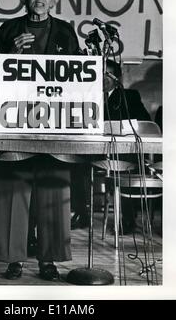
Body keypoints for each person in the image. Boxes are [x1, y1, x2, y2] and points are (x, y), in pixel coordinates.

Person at [0, 0, 80, 281]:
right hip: (16, 120)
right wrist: (10, 54)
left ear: (55, 0)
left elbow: (78, 76)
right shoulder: (9, 28)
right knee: (13, 187)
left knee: (53, 187)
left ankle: (49, 261)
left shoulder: (65, 31)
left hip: (55, 122)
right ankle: (14, 260)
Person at [71, 59, 151, 233]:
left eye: (108, 73)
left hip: (121, 151)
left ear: (117, 77)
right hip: (94, 151)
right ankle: (81, 212)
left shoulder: (129, 96)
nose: (103, 78)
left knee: (128, 165)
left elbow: (146, 122)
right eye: (99, 73)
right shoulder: (88, 97)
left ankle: (128, 219)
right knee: (74, 163)